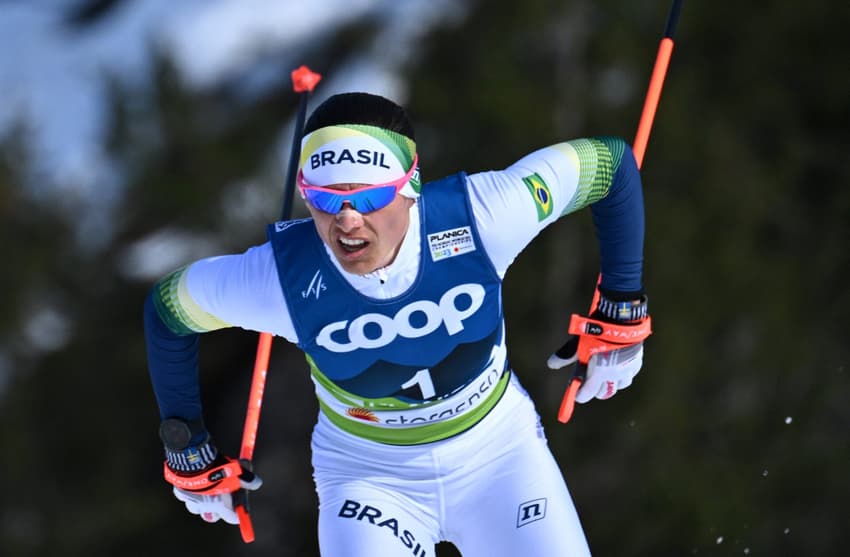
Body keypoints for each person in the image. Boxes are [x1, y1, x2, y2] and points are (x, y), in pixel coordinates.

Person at [143, 91, 651, 556]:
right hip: (370, 481)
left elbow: (609, 162)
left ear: (410, 186)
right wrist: (186, 446)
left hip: (500, 457)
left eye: (366, 198)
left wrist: (622, 305)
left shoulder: (484, 215)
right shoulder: (279, 278)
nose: (346, 220)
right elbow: (167, 311)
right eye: (323, 198)